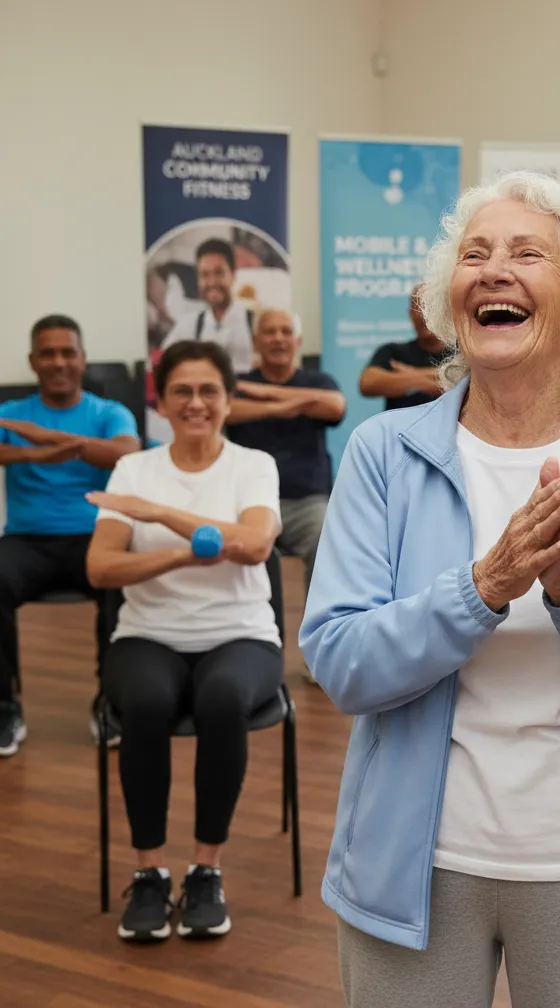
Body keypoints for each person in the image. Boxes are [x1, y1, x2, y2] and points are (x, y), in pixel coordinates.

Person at [300, 171, 560, 1008]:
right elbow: (340, 663)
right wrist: (483, 589)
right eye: (474, 254)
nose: (494, 269)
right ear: (448, 299)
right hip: (411, 871)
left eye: (527, 254)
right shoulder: (383, 453)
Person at [85, 340, 283, 943]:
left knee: (222, 699)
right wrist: (183, 555)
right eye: (182, 391)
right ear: (162, 402)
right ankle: (149, 873)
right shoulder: (133, 469)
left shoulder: (253, 465)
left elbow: (254, 545)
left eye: (208, 391)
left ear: (227, 399)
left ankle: (205, 871)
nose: (196, 403)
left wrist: (159, 515)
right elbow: (101, 567)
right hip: (148, 635)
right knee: (145, 702)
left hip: (241, 634)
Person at [0, 315, 140, 757]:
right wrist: (33, 453)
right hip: (27, 541)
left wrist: (52, 439)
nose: (58, 362)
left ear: (83, 359)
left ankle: (111, 700)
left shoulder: (108, 412)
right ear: (32, 361)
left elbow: (128, 454)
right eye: (48, 353)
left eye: (67, 352)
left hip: (94, 536)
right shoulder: (12, 414)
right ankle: (4, 707)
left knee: (123, 580)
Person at [226, 306, 345, 619]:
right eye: (269, 332)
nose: (278, 338)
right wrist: (289, 405)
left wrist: (264, 393)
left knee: (328, 541)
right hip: (245, 502)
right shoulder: (237, 383)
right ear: (255, 340)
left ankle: (320, 637)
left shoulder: (318, 379)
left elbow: (335, 407)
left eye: (286, 332)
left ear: (298, 341)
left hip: (307, 503)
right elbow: (226, 410)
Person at [160, 238, 255, 374]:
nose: (212, 282)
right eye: (204, 275)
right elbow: (162, 362)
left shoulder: (255, 323)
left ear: (233, 275)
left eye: (219, 273)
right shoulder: (189, 325)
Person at [358, 284, 447, 410]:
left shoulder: (462, 353)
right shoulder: (393, 352)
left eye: (429, 307)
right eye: (417, 308)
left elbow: (468, 384)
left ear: (444, 312)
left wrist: (411, 375)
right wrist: (435, 381)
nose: (422, 315)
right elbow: (367, 383)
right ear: (410, 314)